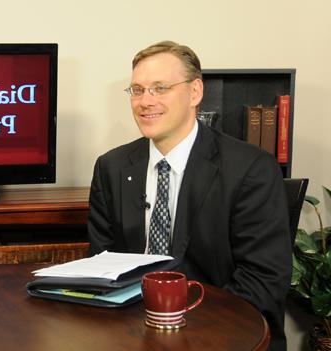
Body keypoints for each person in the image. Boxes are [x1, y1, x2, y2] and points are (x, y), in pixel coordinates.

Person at [87, 41, 291, 350]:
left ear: (194, 92)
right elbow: (100, 266)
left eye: (159, 88)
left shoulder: (251, 169)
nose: (145, 101)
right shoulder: (111, 167)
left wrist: (179, 329)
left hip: (224, 332)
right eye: (137, 90)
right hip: (130, 333)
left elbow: (262, 280)